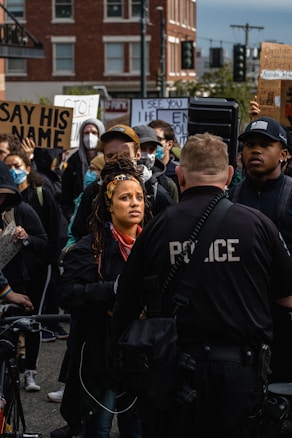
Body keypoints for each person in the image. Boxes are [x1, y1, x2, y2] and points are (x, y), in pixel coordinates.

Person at [112, 132, 292, 438]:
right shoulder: (259, 225)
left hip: (174, 374)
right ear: (230, 175)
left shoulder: (157, 228)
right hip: (241, 375)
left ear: (180, 175)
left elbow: (126, 305)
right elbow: (287, 299)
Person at [57, 156, 152, 438]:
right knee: (98, 427)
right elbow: (67, 293)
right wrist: (112, 290)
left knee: (136, 429)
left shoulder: (154, 247)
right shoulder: (89, 249)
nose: (134, 203)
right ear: (109, 205)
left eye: (139, 197)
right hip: (101, 354)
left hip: (141, 356)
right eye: (125, 198)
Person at [228, 116, 292, 384]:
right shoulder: (230, 198)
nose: (256, 150)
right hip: (241, 317)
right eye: (250, 144)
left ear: (284, 154)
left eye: (266, 144)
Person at [70, 124, 174, 242]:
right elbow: (78, 233)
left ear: (137, 154)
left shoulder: (155, 193)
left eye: (125, 155)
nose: (118, 160)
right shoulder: (94, 192)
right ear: (104, 158)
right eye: (111, 156)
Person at [0, 160, 48, 392]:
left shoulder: (24, 210)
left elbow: (45, 242)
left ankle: (30, 371)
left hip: (22, 282)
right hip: (5, 286)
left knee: (28, 325)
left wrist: (26, 238)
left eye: (3, 195)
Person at [61, 118, 105, 222]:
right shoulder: (73, 161)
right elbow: (66, 196)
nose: (90, 136)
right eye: (86, 133)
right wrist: (71, 216)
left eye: (94, 132)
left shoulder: (107, 159)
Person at [133, 125, 179, 204]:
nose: (147, 154)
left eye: (151, 149)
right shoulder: (118, 178)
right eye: (142, 148)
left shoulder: (167, 184)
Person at [148, 119, 180, 195]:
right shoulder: (141, 170)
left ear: (169, 145)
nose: (153, 143)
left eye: (158, 139)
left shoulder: (178, 173)